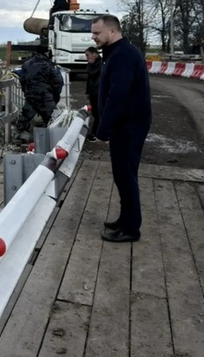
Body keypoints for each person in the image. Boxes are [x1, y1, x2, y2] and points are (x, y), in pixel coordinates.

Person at [90, 14, 152, 243]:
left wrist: (103, 130)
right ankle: (125, 220)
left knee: (125, 176)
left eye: (97, 33)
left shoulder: (122, 55)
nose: (93, 36)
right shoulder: (117, 53)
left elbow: (118, 96)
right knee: (123, 175)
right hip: (127, 124)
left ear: (112, 32)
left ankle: (131, 229)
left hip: (128, 126)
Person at [13, 44, 64, 140]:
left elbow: (22, 79)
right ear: (47, 52)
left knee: (26, 115)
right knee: (51, 118)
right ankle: (52, 138)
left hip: (31, 94)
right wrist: (55, 94)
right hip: (45, 95)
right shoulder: (48, 65)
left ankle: (18, 133)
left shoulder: (26, 64)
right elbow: (57, 81)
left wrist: (27, 92)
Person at [84, 46, 102, 142]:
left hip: (98, 92)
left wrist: (90, 65)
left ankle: (96, 134)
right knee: (96, 113)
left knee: (98, 114)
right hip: (94, 92)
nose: (87, 58)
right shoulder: (95, 63)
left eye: (88, 55)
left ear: (94, 54)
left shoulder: (100, 63)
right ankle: (96, 133)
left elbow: (92, 73)